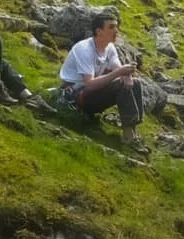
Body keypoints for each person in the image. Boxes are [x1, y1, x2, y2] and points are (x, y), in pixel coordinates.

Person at [58, 9, 146, 148]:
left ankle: (133, 131)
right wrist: (119, 74)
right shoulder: (84, 49)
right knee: (119, 84)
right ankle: (128, 136)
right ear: (99, 31)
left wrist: (127, 75)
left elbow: (117, 67)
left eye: (116, 26)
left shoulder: (109, 47)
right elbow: (90, 84)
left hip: (90, 92)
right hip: (75, 96)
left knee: (135, 83)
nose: (116, 30)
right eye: (111, 27)